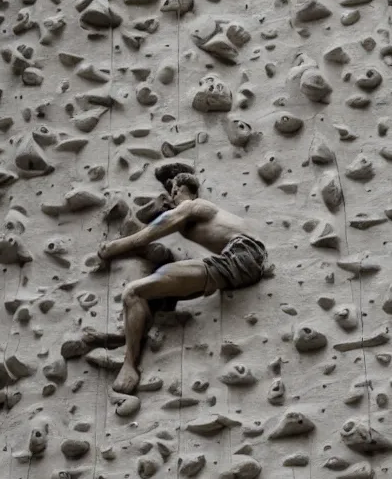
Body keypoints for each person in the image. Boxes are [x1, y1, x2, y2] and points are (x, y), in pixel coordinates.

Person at [97, 162, 268, 394]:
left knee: (133, 291)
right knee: (152, 287)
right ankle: (154, 309)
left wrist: (114, 247)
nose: (173, 195)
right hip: (235, 265)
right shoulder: (197, 218)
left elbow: (153, 231)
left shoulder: (194, 206)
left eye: (176, 190)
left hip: (240, 255)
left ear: (186, 190)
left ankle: (130, 364)